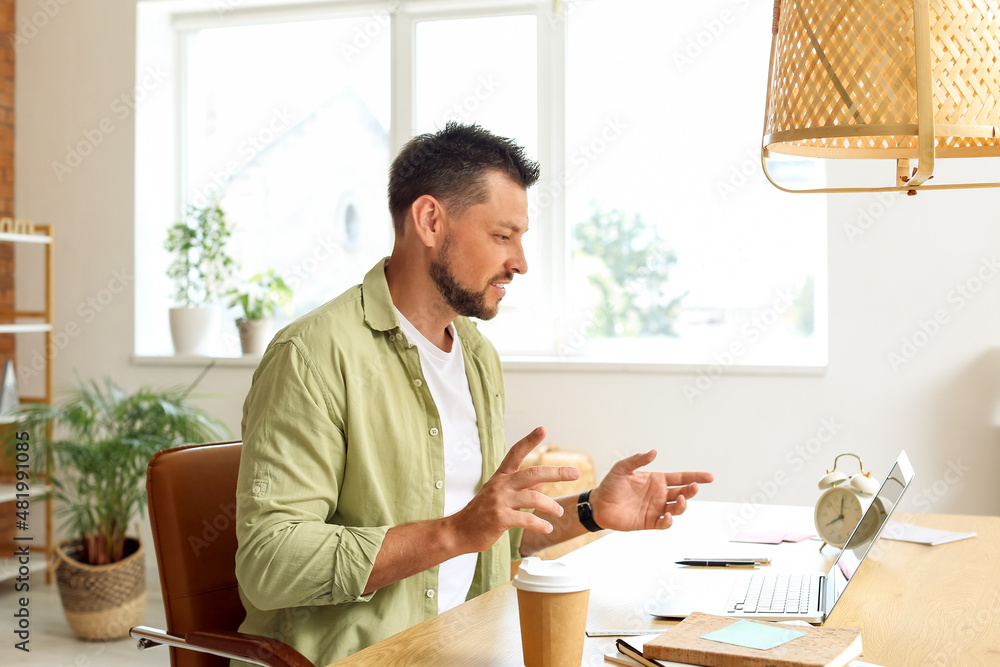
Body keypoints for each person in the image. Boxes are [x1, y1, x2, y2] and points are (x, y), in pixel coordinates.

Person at [234, 122, 714, 666]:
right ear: (431, 220)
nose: (521, 262)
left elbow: (485, 541)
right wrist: (453, 532)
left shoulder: (477, 355)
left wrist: (590, 511)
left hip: (474, 643)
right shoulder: (312, 355)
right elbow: (269, 564)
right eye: (503, 235)